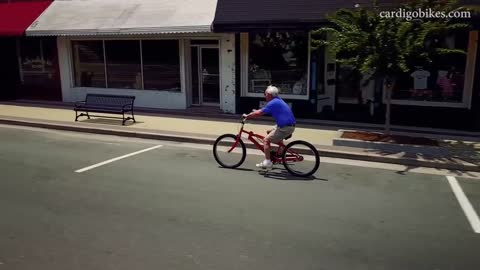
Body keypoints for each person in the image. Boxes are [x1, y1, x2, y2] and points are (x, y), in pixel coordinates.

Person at [242, 85, 296, 169]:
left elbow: (259, 113)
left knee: (266, 140)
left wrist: (247, 116)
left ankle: (267, 161)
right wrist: (257, 112)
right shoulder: (277, 100)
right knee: (269, 132)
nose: (264, 95)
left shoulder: (273, 103)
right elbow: (263, 111)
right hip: (287, 125)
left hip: (285, 127)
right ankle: (280, 153)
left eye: (265, 94)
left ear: (270, 95)